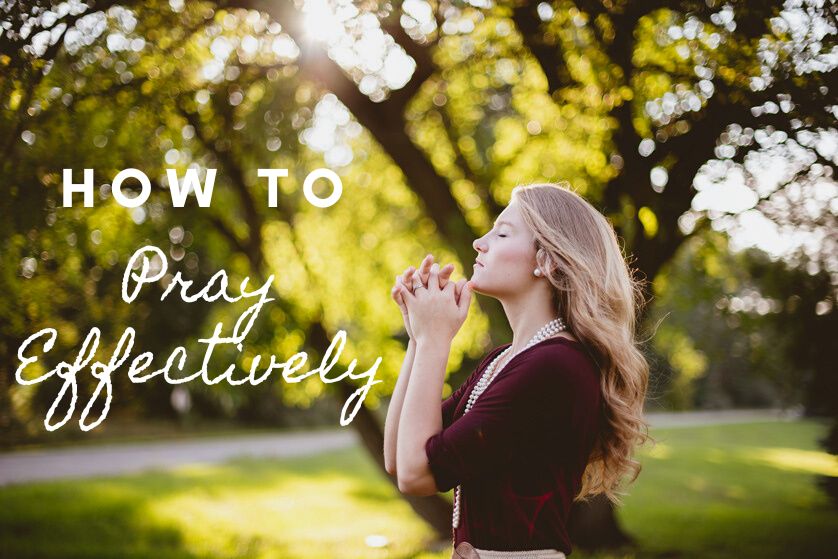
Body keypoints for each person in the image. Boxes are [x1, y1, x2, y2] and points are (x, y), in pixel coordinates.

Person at [383, 182, 653, 558]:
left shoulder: (553, 367)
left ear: (547, 261)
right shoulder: (505, 360)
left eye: (502, 232)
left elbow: (418, 475)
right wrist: (418, 336)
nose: (480, 241)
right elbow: (399, 458)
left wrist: (435, 341)